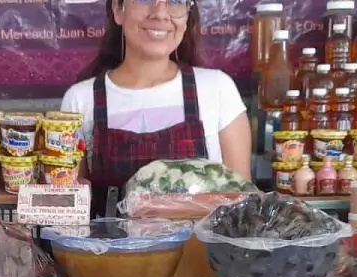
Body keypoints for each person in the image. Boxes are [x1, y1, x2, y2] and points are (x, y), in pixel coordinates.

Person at [61, 0, 252, 215]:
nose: (160, 13)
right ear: (118, 9)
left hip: (199, 249)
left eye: (176, 1)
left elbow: (242, 203)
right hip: (111, 249)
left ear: (187, 15)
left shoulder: (218, 89)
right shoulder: (80, 99)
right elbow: (68, 201)